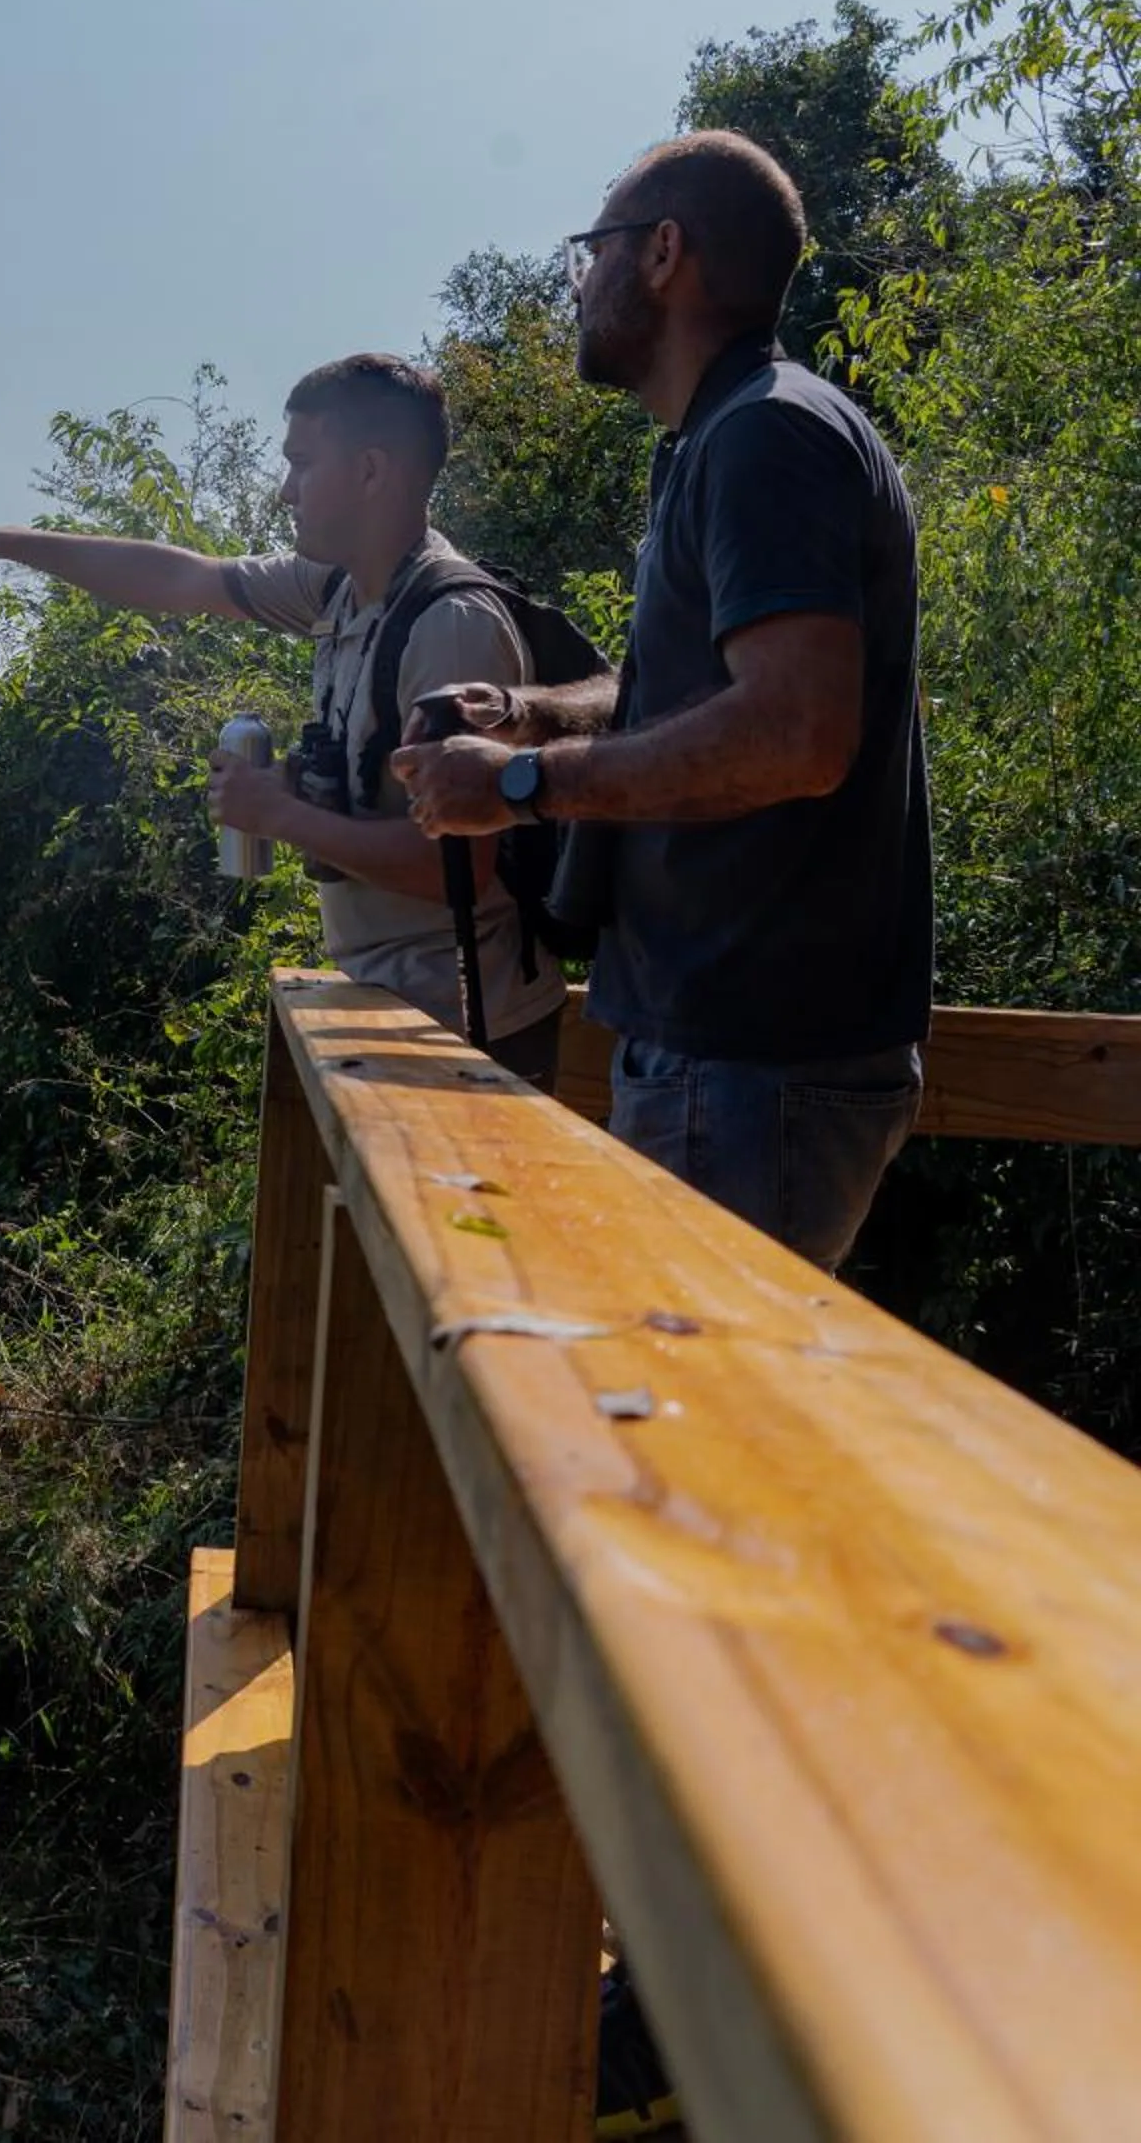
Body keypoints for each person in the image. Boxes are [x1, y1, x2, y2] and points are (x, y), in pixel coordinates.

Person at [391, 130, 933, 2141]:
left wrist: (531, 803)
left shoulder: (773, 440)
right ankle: (676, 1983)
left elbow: (792, 732)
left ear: (669, 258)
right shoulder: (723, 456)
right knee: (682, 1526)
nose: (578, 286)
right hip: (711, 1053)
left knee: (706, 1551)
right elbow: (691, 690)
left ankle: (724, 2019)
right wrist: (526, 736)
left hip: (761, 1069)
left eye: (595, 252)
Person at [0, 354, 573, 1083]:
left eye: (303, 463)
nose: (286, 491)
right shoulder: (337, 590)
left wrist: (279, 815)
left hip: (470, 1029)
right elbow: (183, 577)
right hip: (390, 1004)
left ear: (372, 472)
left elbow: (457, 869)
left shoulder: (451, 626)